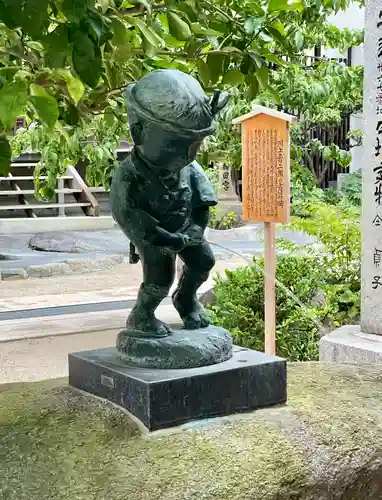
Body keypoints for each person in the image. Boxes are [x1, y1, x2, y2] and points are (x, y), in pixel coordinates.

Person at [110, 69, 229, 338]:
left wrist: (197, 228)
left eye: (194, 145)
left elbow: (202, 203)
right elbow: (130, 217)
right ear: (138, 132)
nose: (187, 154)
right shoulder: (129, 177)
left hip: (185, 229)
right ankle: (142, 315)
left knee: (203, 262)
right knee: (160, 278)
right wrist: (164, 239)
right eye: (175, 144)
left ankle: (185, 299)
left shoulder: (189, 168)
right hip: (155, 234)